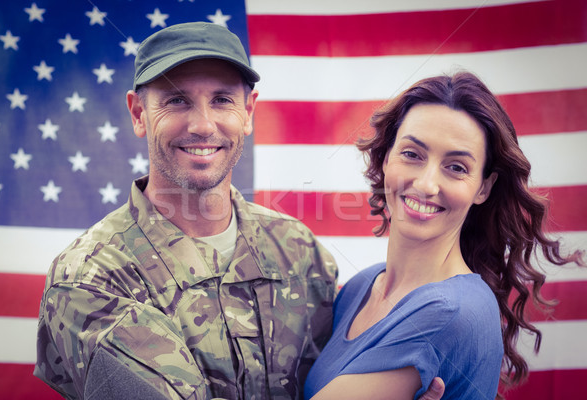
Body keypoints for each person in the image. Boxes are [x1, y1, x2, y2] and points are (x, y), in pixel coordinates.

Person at [34, 22, 446, 400]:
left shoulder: (299, 252)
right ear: (140, 114)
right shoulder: (90, 280)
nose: (202, 124)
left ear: (248, 112)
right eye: (177, 100)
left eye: (222, 100)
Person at [303, 71, 585, 400]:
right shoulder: (359, 288)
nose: (425, 184)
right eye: (412, 154)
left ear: (483, 187)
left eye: (456, 167)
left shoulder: (449, 312)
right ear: (385, 160)